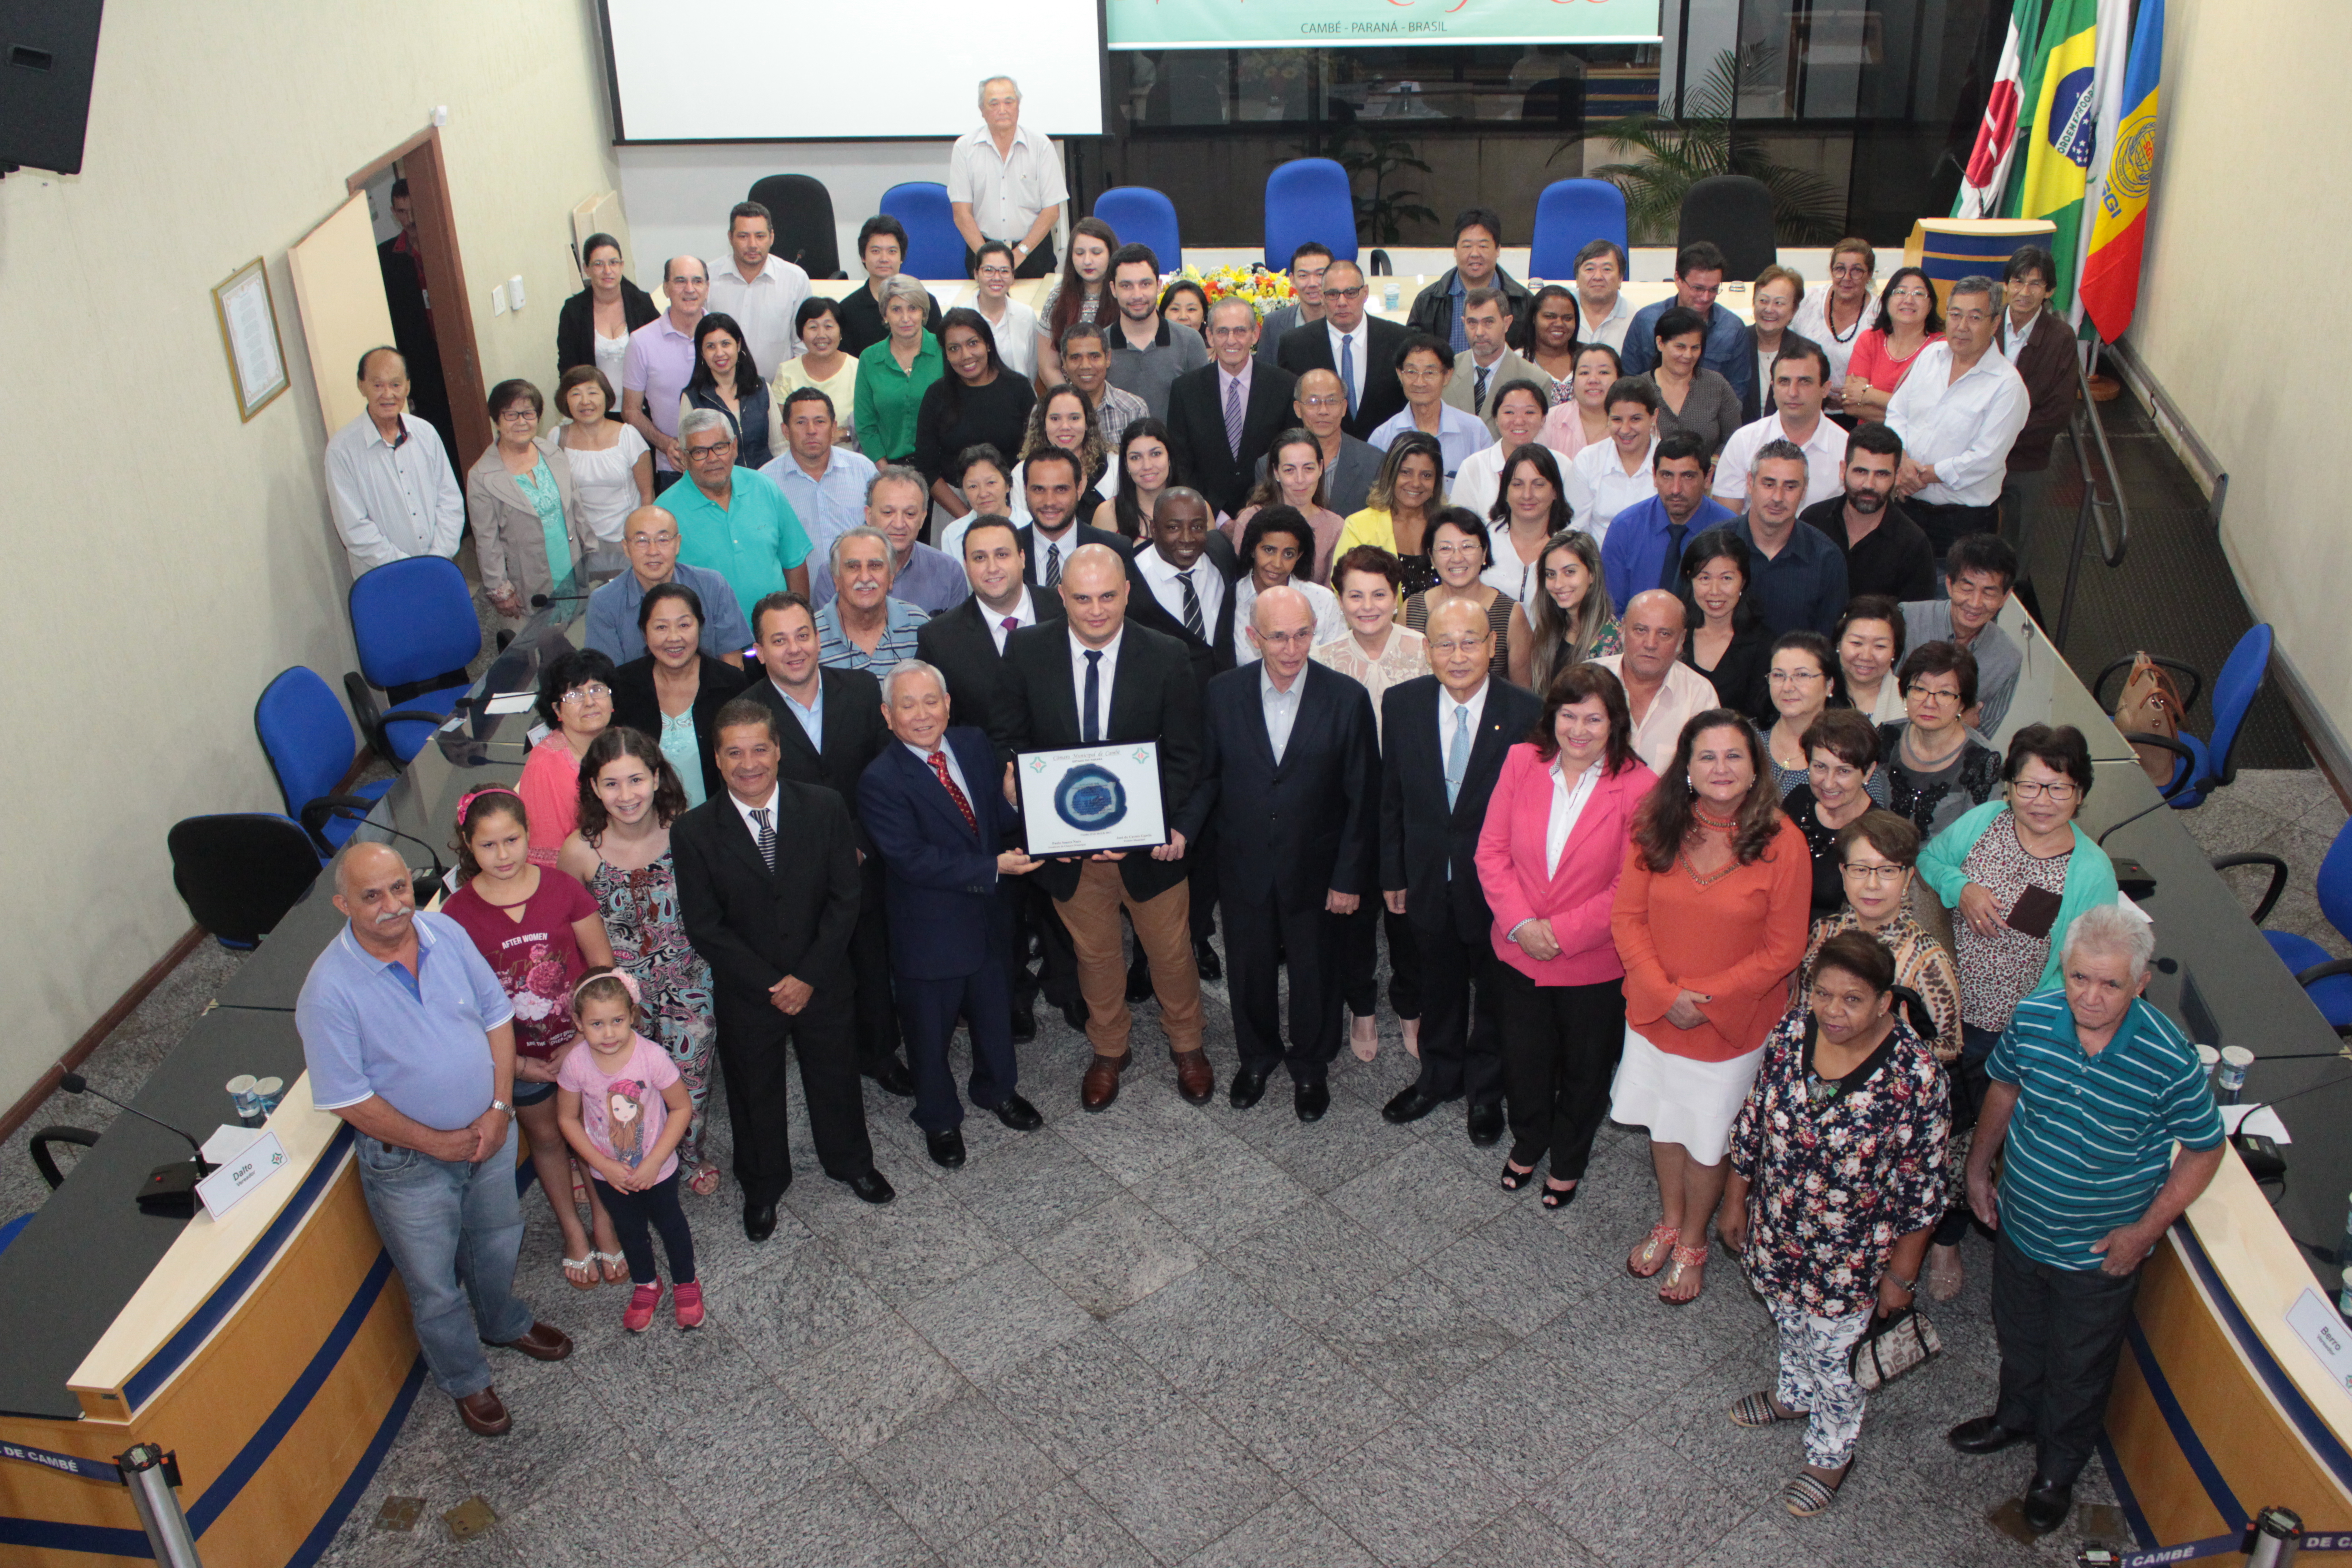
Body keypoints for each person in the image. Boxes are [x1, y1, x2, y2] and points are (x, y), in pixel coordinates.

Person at [1949, 906, 2226, 1532]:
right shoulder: (2036, 1015)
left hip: (2098, 1254)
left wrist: (2143, 1233)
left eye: (2110, 984)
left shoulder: (2167, 1057)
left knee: (2079, 1368)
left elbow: (2206, 1149)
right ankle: (2014, 1418)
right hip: (2022, 1225)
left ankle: (2057, 1470)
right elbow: (2005, 1089)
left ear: (2140, 983)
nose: (2091, 998)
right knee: (2018, 1335)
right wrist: (1976, 1168)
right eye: (2079, 978)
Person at [297, 843, 573, 1438]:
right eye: (372, 896)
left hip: (490, 1134)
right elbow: (349, 1099)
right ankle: (468, 1381)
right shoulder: (328, 991)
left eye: (400, 888)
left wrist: (499, 1111)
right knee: (434, 1285)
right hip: (408, 1165)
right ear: (344, 904)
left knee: (499, 1238)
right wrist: (436, 1142)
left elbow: (497, 1016)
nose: (393, 905)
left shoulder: (443, 933)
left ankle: (503, 1322)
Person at [1720, 930, 1950, 1517]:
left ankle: (1832, 1451)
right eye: (1823, 994)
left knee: (1838, 1362)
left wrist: (1899, 1282)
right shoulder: (1793, 1031)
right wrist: (1735, 1198)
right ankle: (1795, 1397)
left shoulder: (1916, 1080)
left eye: (1852, 1000)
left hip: (1850, 1260)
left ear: (1884, 1001)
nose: (1834, 1011)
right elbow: (1755, 1118)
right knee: (1789, 1324)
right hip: (1778, 1234)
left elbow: (1922, 1195)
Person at [672, 698, 897, 1234]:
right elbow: (705, 926)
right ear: (718, 759)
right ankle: (763, 1186)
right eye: (734, 753)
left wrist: (808, 977)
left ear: (777, 750)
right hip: (751, 992)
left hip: (823, 980)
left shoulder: (824, 806)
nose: (749, 763)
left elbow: (846, 898)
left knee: (837, 1076)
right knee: (755, 1092)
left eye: (759, 749)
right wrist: (773, 983)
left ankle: (851, 1163)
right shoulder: (694, 831)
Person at [1610, 710, 1811, 1303]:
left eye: (1734, 757)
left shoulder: (1783, 842)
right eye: (1707, 757)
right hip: (1655, 1013)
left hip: (1731, 1027)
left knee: (1705, 1137)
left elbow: (1784, 950)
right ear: (1688, 768)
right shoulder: (1657, 824)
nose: (1721, 769)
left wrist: (1706, 1002)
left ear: (1755, 769)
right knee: (1664, 1124)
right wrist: (1666, 994)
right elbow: (1628, 918)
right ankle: (1669, 1220)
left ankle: (1694, 1240)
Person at [1000, 544, 1210, 1110]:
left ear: (1128, 594)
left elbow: (1189, 756)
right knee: (1095, 957)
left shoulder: (1166, 655)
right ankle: (1110, 1048)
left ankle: (1187, 1045)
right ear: (1062, 596)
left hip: (1149, 847)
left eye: (1109, 597)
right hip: (1068, 852)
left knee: (1171, 954)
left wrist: (1154, 826)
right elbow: (1013, 739)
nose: (1097, 611)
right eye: (1083, 598)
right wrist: (1027, 802)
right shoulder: (1025, 649)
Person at [1917, 725, 2121, 1303]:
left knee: (1980, 1136)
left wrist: (2032, 1024)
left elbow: (2082, 968)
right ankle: (1928, 1225)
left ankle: (1949, 1235)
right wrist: (1962, 888)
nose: (2042, 801)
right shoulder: (1983, 824)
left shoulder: (2091, 870)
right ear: (2008, 787)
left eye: (2059, 789)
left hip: (2017, 1032)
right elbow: (1930, 859)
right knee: (1937, 1125)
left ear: (2080, 794)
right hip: (1949, 1014)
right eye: (2029, 786)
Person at [1181, 585, 1376, 1123]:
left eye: (1302, 635)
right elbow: (1209, 778)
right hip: (1242, 865)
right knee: (1249, 969)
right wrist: (1181, 833)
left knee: (1316, 971)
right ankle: (1257, 1058)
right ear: (1253, 637)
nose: (1292, 649)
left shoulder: (1346, 698)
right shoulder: (1222, 694)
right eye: (1278, 637)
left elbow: (1363, 798)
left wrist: (1349, 878)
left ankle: (1312, 1067)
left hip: (1318, 869)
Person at [1476, 662, 1655, 1206]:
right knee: (1523, 1058)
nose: (1579, 730)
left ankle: (1569, 1158)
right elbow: (1491, 851)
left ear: (1615, 723)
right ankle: (1529, 1139)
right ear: (1552, 715)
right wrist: (1524, 926)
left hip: (1592, 961)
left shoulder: (1640, 785)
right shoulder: (1521, 761)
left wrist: (1560, 934)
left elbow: (1632, 885)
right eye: (1568, 715)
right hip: (1518, 949)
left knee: (1584, 1067)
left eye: (1594, 719)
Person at [859, 659, 1045, 1168]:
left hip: (989, 917)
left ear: (947, 704)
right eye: (907, 705)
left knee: (994, 1011)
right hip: (930, 929)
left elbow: (989, 819)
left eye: (931, 701)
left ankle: (997, 1090)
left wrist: (1011, 804)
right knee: (928, 1031)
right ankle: (939, 1118)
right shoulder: (880, 780)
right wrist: (992, 867)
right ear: (887, 714)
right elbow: (910, 859)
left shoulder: (972, 744)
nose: (922, 715)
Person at [441, 788, 620, 1290]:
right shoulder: (455, 915)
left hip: (581, 1046)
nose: (503, 855)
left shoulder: (564, 889)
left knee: (592, 1136)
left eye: (513, 840)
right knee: (545, 1139)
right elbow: (460, 1006)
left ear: (529, 836)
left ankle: (605, 1222)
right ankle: (572, 1231)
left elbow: (602, 968)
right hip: (516, 1059)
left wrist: (581, 1041)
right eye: (488, 845)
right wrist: (517, 1065)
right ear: (468, 846)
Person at [742, 592, 917, 1097]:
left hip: (865, 856)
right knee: (818, 971)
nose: (794, 649)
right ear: (759, 649)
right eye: (779, 641)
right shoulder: (745, 712)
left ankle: (881, 1052)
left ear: (819, 638)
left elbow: (891, 774)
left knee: (871, 958)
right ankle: (831, 1061)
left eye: (803, 635)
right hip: (791, 874)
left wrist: (860, 843)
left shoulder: (862, 690)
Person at [1377, 596, 1538, 1141]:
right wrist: (1394, 873)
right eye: (1444, 643)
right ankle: (1438, 1075)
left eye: (1471, 640)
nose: (1458, 654)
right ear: (1427, 650)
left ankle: (1486, 1092)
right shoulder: (1401, 705)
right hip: (1426, 877)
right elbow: (1392, 798)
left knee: (1494, 996)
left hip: (1498, 889)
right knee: (1438, 985)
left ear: (1492, 646)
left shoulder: (1525, 712)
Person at [558, 728, 723, 1198]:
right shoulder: (580, 850)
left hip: (689, 982)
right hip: (620, 997)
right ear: (593, 787)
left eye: (636, 780)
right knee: (623, 1089)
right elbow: (570, 926)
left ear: (656, 777)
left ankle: (688, 1156)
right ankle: (626, 1160)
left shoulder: (685, 828)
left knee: (690, 1083)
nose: (626, 795)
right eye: (611, 784)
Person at [915, 517, 1063, 1033]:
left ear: (1024, 557)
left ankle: (1070, 987)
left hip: (1064, 786)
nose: (992, 567)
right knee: (1004, 909)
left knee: (1066, 899)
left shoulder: (1065, 607)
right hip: (985, 798)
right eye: (979, 558)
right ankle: (1014, 997)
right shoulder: (938, 636)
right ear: (965, 565)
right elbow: (943, 726)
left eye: (1002, 554)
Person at [1314, 545, 1428, 1060]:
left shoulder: (1426, 650)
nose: (1367, 605)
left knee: (1409, 919)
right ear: (1339, 598)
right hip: (1350, 812)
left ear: (1397, 595)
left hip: (1412, 810)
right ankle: (1360, 1007)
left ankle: (1410, 1004)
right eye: (1355, 594)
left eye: (1379, 594)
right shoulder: (1325, 659)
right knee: (1354, 919)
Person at [555, 971, 702, 1333]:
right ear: (577, 1023)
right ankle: (646, 1284)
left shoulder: (651, 1057)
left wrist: (653, 1163)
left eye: (617, 1021)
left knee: (671, 1225)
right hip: (609, 1174)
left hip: (658, 1169)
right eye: (596, 1024)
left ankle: (686, 1282)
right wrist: (602, 1164)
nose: (608, 1034)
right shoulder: (575, 1063)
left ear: (633, 1015)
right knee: (630, 1229)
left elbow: (681, 1109)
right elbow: (567, 1119)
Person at [1798, 809, 1963, 1067]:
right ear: (1843, 873)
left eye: (1887, 870)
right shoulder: (1823, 933)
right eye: (1860, 869)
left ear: (1908, 877)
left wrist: (1899, 1042)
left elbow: (1951, 1047)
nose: (1872, 884)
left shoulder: (1927, 959)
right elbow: (1800, 1012)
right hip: (1815, 1067)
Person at [1887, 275, 2032, 559]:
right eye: (1955, 315)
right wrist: (1901, 460)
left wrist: (1923, 475)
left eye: (1975, 318)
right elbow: (1897, 411)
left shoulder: (2007, 386)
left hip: (1963, 522)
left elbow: (1985, 459)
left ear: (1994, 324)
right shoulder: (1931, 356)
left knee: (1953, 597)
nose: (1962, 327)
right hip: (1905, 505)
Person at [325, 347, 465, 577]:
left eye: (396, 385)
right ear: (362, 386)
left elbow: (450, 499)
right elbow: (355, 529)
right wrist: (411, 569)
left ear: (408, 387)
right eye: (378, 385)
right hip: (385, 578)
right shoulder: (342, 451)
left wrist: (437, 558)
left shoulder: (426, 433)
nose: (388, 394)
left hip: (439, 568)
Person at [668, 409, 813, 622]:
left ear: (734, 446)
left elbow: (795, 562)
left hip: (776, 639)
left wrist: (800, 623)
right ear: (684, 457)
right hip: (708, 646)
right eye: (700, 452)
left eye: (720, 447)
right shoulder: (665, 512)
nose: (713, 459)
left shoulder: (764, 487)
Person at [612, 582, 749, 808]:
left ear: (700, 627)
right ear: (644, 633)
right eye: (661, 628)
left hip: (718, 822)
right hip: (644, 826)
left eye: (684, 625)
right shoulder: (623, 685)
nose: (674, 638)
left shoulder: (731, 684)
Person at [1166, 295, 1299, 520]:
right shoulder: (1185, 390)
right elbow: (1181, 465)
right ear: (1209, 336)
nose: (1231, 340)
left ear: (1255, 334)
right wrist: (1219, 518)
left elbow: (1291, 456)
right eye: (1222, 332)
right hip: (1208, 521)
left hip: (1271, 515)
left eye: (1240, 331)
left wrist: (1260, 512)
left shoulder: (1285, 386)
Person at [467, 378, 584, 620]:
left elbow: (576, 510)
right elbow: (487, 541)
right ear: (496, 420)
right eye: (511, 415)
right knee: (543, 646)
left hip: (571, 566)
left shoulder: (553, 453)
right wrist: (500, 590)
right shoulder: (481, 475)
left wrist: (591, 555)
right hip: (528, 580)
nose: (522, 422)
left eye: (528, 414)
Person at [583, 505, 751, 668]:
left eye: (663, 540)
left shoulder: (712, 585)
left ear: (678, 544)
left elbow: (732, 662)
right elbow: (607, 677)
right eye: (642, 541)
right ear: (626, 548)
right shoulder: (604, 602)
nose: (653, 551)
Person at [1798, 423, 1936, 603]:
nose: (1869, 485)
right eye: (1861, 471)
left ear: (1898, 476)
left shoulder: (1913, 545)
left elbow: (1913, 621)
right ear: (1843, 470)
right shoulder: (1812, 521)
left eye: (1882, 474)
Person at [912, 307, 1033, 511]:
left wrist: (1009, 510)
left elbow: (1034, 453)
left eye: (973, 343)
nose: (965, 355)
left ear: (988, 344)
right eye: (954, 348)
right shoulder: (936, 395)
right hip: (954, 506)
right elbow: (927, 468)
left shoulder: (1018, 388)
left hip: (1016, 502)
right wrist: (967, 518)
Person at [1597, 433, 1733, 614]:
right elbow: (1610, 612)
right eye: (1667, 475)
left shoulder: (1730, 532)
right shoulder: (1625, 528)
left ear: (1708, 478)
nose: (1676, 489)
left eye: (1688, 476)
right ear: (1654, 476)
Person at [1995, 246, 2077, 548]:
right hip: (1972, 452)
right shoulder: (1986, 325)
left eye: (2035, 284)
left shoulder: (2061, 338)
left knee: (2015, 547)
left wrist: (2000, 438)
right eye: (2017, 282)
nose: (2024, 292)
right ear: (2005, 285)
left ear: (2049, 290)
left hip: (2025, 459)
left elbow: (2057, 413)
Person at [810, 465, 971, 615]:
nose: (899, 524)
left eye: (910, 514)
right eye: (888, 513)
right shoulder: (834, 572)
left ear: (923, 519)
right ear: (869, 515)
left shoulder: (948, 572)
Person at [1880, 641, 2001, 839]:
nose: (1930, 703)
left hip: (1945, 868)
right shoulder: (1886, 737)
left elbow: (1979, 841)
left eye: (1945, 693)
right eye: (1919, 689)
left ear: (1962, 704)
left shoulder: (1982, 761)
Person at [1902, 534, 2024, 732]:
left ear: (2006, 597)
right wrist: (1956, 724)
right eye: (1967, 588)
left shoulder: (2007, 659)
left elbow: (1982, 738)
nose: (1975, 603)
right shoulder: (1907, 620)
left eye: (1989, 593)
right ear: (1949, 585)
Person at [1622, 242, 1758, 419]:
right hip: (1652, 422)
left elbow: (1737, 393)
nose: (1706, 297)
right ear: (1678, 279)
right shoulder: (1647, 321)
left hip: (1709, 426)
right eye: (1698, 288)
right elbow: (1629, 381)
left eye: (1714, 290)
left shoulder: (1732, 329)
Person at [948, 76, 1066, 276]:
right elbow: (962, 214)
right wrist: (989, 260)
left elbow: (1052, 211)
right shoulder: (964, 148)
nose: (1002, 109)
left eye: (1009, 102)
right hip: (982, 252)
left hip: (1033, 254)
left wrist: (1020, 254)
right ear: (982, 111)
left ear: (1018, 106)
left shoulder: (1041, 146)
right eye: (994, 104)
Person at [1276, 259, 1408, 438]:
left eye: (1351, 293)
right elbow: (1290, 416)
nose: (1342, 302)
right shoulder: (1295, 345)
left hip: (1387, 456)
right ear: (1322, 298)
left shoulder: (1400, 340)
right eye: (1333, 294)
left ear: (1366, 293)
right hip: (1319, 457)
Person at [1779, 710, 1892, 913]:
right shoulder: (1796, 801)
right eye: (1820, 767)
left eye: (1844, 771)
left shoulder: (1880, 833)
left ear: (1869, 772)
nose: (1829, 783)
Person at [1712, 340, 1845, 514]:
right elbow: (1726, 523)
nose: (1793, 393)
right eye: (1784, 382)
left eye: (1805, 382)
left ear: (1825, 389)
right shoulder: (1743, 441)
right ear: (1773, 388)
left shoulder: (1845, 448)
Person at [1593, 589, 1716, 774]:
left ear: (1681, 639)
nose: (1651, 644)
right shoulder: (1590, 679)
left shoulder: (1699, 694)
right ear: (1622, 630)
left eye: (1664, 634)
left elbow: (1708, 771)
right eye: (1641, 630)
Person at [376, 179, 456, 464]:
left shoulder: (445, 244)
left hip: (452, 352)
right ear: (393, 212)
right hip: (419, 362)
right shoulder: (386, 258)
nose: (408, 220)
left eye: (413, 211)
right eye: (401, 212)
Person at [1735, 441, 1849, 638]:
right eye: (1769, 484)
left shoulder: (1827, 559)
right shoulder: (1715, 547)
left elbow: (1827, 645)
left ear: (1804, 491)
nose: (1778, 497)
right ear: (1750, 483)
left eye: (1790, 487)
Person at [1128, 486, 1240, 680]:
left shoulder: (1221, 551)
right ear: (1154, 529)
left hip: (1223, 694)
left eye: (1197, 527)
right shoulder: (1131, 580)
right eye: (1174, 528)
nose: (1187, 539)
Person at [519, 648, 619, 865]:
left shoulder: (626, 742)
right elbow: (550, 862)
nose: (590, 702)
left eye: (597, 689)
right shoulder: (544, 767)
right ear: (557, 709)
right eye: (574, 694)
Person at [620, 255, 709, 491]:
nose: (690, 289)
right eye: (680, 281)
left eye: (697, 281)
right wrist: (665, 444)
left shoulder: (724, 335)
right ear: (666, 288)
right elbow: (630, 410)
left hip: (723, 464)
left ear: (707, 288)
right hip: (674, 469)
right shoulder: (641, 341)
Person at [760, 387, 877, 559]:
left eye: (820, 422)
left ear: (834, 428)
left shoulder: (863, 470)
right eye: (801, 422)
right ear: (785, 431)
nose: (811, 430)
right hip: (795, 585)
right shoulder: (766, 482)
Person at [1404, 508, 1517, 685]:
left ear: (1484, 553)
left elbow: (1523, 692)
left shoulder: (1510, 614)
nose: (1457, 558)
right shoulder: (1412, 609)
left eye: (1467, 547)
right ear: (1432, 558)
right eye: (1445, 548)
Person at [705, 201, 811, 383]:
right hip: (719, 391)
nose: (752, 245)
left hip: (778, 393)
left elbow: (803, 343)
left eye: (760, 236)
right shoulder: (708, 277)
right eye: (744, 236)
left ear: (772, 237)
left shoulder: (795, 279)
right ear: (730, 238)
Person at [1406, 206, 1533, 353]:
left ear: (1498, 249)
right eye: (1467, 246)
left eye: (1483, 246)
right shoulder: (1428, 301)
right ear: (1455, 250)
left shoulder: (1523, 302)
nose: (1475, 254)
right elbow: (1412, 356)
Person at [1104, 244, 1209, 420]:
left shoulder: (1190, 342)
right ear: (1114, 289)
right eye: (1127, 286)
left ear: (1159, 286)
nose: (1137, 295)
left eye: (1145, 284)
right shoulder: (1100, 344)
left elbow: (1202, 411)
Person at [1676, 527, 1771, 720]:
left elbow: (1758, 718)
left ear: (1743, 581)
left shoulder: (1764, 644)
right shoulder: (1674, 633)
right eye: (1704, 578)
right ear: (1690, 579)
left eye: (1727, 578)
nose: (1714, 590)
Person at [1509, 530, 1621, 692]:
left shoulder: (1612, 639)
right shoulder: (1549, 629)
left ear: (1592, 574)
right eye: (1551, 575)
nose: (1558, 584)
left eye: (1570, 572)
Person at [1229, 429, 1346, 584]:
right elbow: (1239, 583)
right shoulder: (1250, 519)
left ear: (1320, 468)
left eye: (1308, 469)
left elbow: (1334, 593)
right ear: (1276, 472)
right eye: (1290, 470)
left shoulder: (1335, 527)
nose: (1300, 479)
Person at [1336, 432, 1445, 598]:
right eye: (1406, 472)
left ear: (1436, 481)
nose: (1416, 483)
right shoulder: (1359, 526)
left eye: (1426, 475)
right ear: (1390, 474)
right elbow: (1343, 589)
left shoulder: (1451, 523)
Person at [555, 364, 652, 548]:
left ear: (606, 397)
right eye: (576, 394)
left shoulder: (629, 436)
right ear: (565, 400)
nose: (585, 401)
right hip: (580, 542)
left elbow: (647, 495)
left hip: (627, 540)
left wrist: (643, 538)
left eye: (593, 393)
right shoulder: (556, 438)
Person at [1230, 505, 1346, 657]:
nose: (1278, 564)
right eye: (1269, 550)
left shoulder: (1323, 601)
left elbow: (1339, 662)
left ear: (1299, 556)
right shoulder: (1231, 600)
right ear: (1252, 550)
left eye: (1289, 554)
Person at [813, 526, 932, 671]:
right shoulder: (811, 635)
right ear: (836, 579)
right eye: (853, 567)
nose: (865, 578)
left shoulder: (919, 625)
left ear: (891, 576)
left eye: (875, 566)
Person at [1269, 367, 1382, 517]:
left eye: (1332, 401)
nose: (1323, 410)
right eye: (1313, 401)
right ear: (1297, 409)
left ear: (1344, 408)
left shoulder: (1374, 462)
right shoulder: (1269, 464)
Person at [1370, 334, 1487, 480]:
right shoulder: (1382, 437)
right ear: (1400, 374)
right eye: (1412, 372)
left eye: (1430, 372)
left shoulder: (1475, 430)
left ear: (1447, 376)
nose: (1420, 382)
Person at [854, 276, 945, 465]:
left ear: (924, 313)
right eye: (896, 310)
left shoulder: (944, 351)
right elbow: (865, 425)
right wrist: (885, 472)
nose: (906, 318)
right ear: (885, 315)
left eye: (913, 308)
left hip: (943, 468)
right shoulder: (869, 359)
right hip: (890, 469)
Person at [1640, 306, 1744, 462]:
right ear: (1660, 343)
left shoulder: (1717, 385)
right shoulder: (1639, 389)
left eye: (1695, 348)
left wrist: (1714, 465)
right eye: (1680, 347)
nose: (1688, 356)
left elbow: (1734, 439)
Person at [557, 231, 658, 392]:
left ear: (622, 266)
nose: (608, 270)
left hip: (642, 405)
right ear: (586, 269)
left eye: (614, 262)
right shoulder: (573, 311)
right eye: (598, 264)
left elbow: (659, 353)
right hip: (595, 409)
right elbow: (568, 370)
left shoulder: (641, 303)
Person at [1018, 445, 1126, 593]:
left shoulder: (1115, 549)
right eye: (1039, 490)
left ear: (1079, 490)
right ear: (1025, 491)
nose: (1050, 502)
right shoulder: (1007, 550)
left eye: (1061, 490)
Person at [1842, 266, 1942, 426]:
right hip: (1870, 443)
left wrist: (1869, 394)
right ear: (1887, 300)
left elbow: (1930, 411)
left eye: (1919, 294)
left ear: (1930, 305)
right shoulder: (1869, 339)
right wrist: (1907, 415)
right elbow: (1850, 405)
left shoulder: (1941, 349)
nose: (1909, 300)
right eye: (1900, 292)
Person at [1565, 378, 1661, 539]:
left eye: (1635, 419)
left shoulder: (1671, 463)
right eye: (1617, 420)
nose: (1625, 430)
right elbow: (1575, 527)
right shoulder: (1588, 460)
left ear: (1653, 418)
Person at [836, 215, 943, 358]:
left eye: (892, 251)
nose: (884, 259)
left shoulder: (925, 303)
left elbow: (939, 355)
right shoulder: (848, 310)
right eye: (876, 251)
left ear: (902, 257)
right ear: (863, 256)